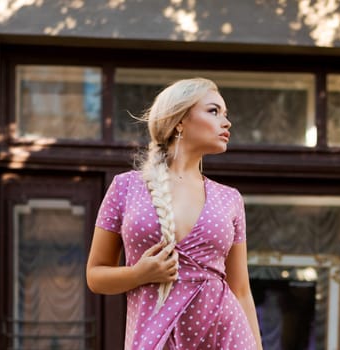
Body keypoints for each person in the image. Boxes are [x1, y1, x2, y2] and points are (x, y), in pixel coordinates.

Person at [86, 77, 263, 350]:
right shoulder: (125, 187)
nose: (226, 123)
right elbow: (95, 276)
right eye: (214, 111)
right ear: (179, 120)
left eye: (225, 115)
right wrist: (139, 274)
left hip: (226, 337)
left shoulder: (230, 199)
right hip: (153, 338)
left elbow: (241, 290)